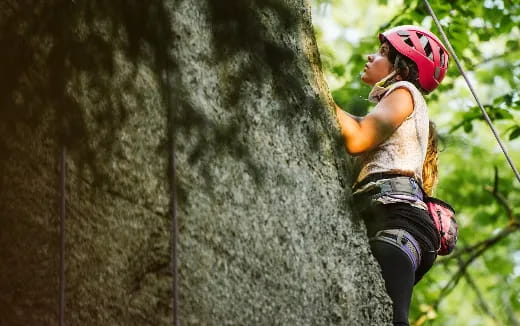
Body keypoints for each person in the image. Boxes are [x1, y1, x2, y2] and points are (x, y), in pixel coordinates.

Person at [333, 25, 449, 326]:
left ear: (401, 68)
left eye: (384, 53)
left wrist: (311, 91)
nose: (372, 56)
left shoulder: (404, 92)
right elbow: (355, 124)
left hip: (399, 225)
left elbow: (357, 137)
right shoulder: (397, 108)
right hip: (403, 230)